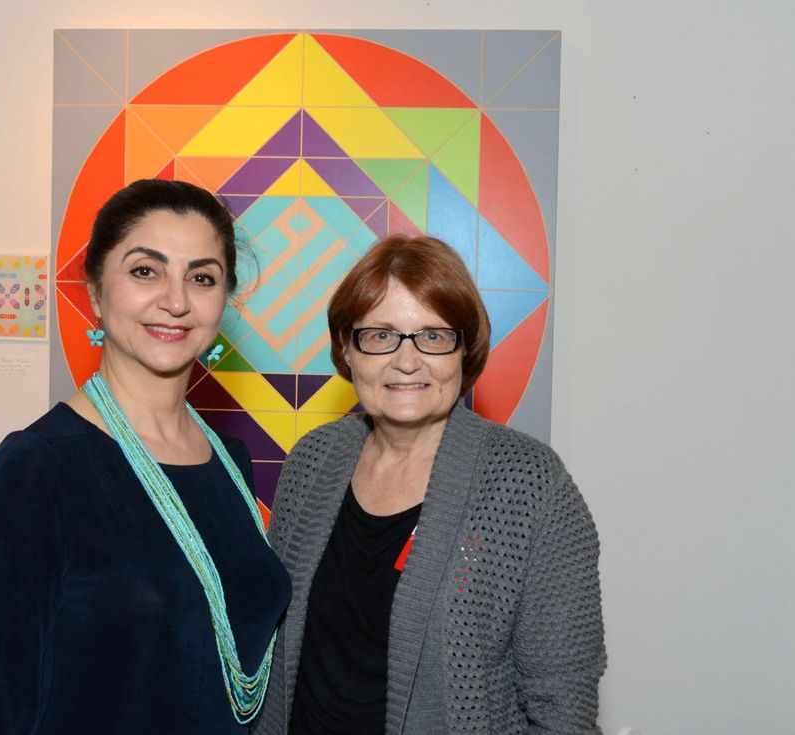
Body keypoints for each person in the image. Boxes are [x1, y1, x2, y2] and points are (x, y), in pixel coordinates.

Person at [0, 179, 291, 734]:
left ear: (224, 301)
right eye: (145, 271)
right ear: (94, 290)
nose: (177, 300)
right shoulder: (40, 468)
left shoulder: (230, 460)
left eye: (202, 277)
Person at [255, 235, 606, 734]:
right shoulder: (314, 459)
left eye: (434, 335)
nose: (406, 360)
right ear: (346, 349)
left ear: (465, 350)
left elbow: (562, 707)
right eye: (380, 335)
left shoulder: (528, 484)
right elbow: (275, 648)